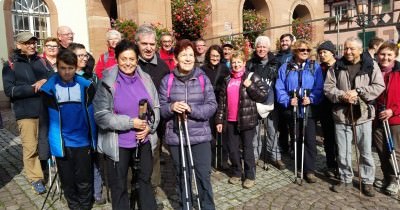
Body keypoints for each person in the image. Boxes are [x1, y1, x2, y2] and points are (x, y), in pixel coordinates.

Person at [93, 39, 160, 209]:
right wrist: (130, 123)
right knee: (119, 186)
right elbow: (101, 116)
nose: (128, 63)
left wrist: (148, 127)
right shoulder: (107, 81)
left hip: (142, 141)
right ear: (117, 59)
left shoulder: (146, 78)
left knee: (145, 182)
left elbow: (156, 107)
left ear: (137, 59)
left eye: (132, 59)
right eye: (124, 59)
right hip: (118, 144)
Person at [159, 39, 217, 209]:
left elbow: (212, 106)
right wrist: (171, 107)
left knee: (203, 176)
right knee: (182, 176)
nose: (188, 58)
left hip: (200, 136)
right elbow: (161, 109)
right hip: (177, 137)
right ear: (176, 58)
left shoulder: (203, 79)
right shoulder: (167, 81)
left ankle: (207, 207)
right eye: (184, 54)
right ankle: (186, 206)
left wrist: (192, 109)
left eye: (191, 55)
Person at [324, 37, 385, 196]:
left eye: (351, 49)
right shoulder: (336, 66)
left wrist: (358, 92)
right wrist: (342, 95)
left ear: (360, 49)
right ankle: (345, 178)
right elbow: (328, 88)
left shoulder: (371, 65)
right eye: (346, 48)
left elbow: (379, 86)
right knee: (343, 151)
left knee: (365, 151)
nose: (348, 52)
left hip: (363, 115)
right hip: (342, 115)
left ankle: (367, 181)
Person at [40, 49, 97, 209]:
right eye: (63, 68)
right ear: (57, 67)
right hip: (62, 142)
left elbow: (94, 114)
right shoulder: (49, 89)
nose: (67, 72)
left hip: (83, 141)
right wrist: (45, 147)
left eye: (70, 68)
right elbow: (44, 120)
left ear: (76, 67)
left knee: (84, 179)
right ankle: (73, 206)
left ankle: (85, 206)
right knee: (68, 179)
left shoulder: (86, 86)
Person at [2, 32, 53, 195]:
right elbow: (10, 90)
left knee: (46, 143)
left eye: (33, 42)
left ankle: (46, 170)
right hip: (25, 112)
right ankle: (36, 178)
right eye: (27, 43)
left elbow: (54, 78)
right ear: (18, 45)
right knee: (31, 147)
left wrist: (46, 81)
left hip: (46, 109)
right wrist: (33, 87)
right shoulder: (10, 64)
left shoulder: (42, 61)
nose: (32, 45)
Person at [216, 50, 268, 189]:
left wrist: (250, 85)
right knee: (232, 149)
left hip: (247, 120)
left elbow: (263, 95)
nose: (236, 65)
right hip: (230, 120)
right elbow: (221, 102)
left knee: (247, 149)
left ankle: (250, 176)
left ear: (244, 63)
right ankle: (237, 172)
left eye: (239, 62)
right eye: (233, 62)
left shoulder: (252, 77)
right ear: (230, 64)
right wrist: (219, 121)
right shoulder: (227, 80)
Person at [275, 39, 324, 183]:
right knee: (296, 138)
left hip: (308, 108)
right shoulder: (285, 67)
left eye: (308, 50)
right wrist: (287, 100)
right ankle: (299, 166)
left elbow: (319, 87)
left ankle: (309, 170)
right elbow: (280, 87)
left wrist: (312, 98)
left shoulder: (315, 67)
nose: (305, 52)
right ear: (295, 51)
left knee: (309, 139)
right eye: (302, 50)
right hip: (293, 108)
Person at [136, 24, 170, 193]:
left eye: (151, 44)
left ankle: (152, 186)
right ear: (137, 44)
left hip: (156, 119)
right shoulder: (131, 63)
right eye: (144, 44)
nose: (148, 48)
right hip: (135, 117)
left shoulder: (163, 67)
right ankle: (135, 185)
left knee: (154, 152)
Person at [246, 36, 284, 170]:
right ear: (255, 48)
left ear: (268, 49)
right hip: (254, 102)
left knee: (272, 131)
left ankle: (275, 156)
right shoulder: (250, 64)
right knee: (255, 132)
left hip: (271, 102)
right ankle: (255, 156)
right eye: (259, 46)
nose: (261, 49)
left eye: (264, 47)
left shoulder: (276, 63)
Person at [372, 41, 400, 195]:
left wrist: (393, 111)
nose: (385, 57)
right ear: (378, 55)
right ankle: (387, 177)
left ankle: (396, 179)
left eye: (389, 54)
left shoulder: (399, 72)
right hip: (377, 117)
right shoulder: (373, 71)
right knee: (382, 151)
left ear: (395, 56)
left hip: (395, 118)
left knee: (394, 151)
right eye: (383, 54)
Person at [200, 44, 230, 169]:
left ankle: (223, 160)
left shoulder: (224, 69)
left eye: (217, 56)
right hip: (207, 104)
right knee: (210, 134)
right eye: (213, 55)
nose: (215, 58)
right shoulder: (202, 69)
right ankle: (211, 159)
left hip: (221, 104)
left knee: (223, 133)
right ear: (208, 55)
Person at [317, 40, 338, 178]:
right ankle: (331, 164)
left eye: (325, 52)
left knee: (340, 138)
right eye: (320, 53)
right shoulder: (320, 68)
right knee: (328, 138)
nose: (322, 55)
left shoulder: (339, 66)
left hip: (338, 107)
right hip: (324, 108)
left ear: (332, 52)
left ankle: (341, 165)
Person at [275, 33, 295, 154]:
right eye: (282, 41)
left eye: (287, 41)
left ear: (291, 42)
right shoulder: (276, 57)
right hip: (280, 92)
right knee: (282, 124)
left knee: (292, 124)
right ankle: (283, 145)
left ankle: (293, 146)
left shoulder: (294, 56)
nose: (284, 43)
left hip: (291, 93)